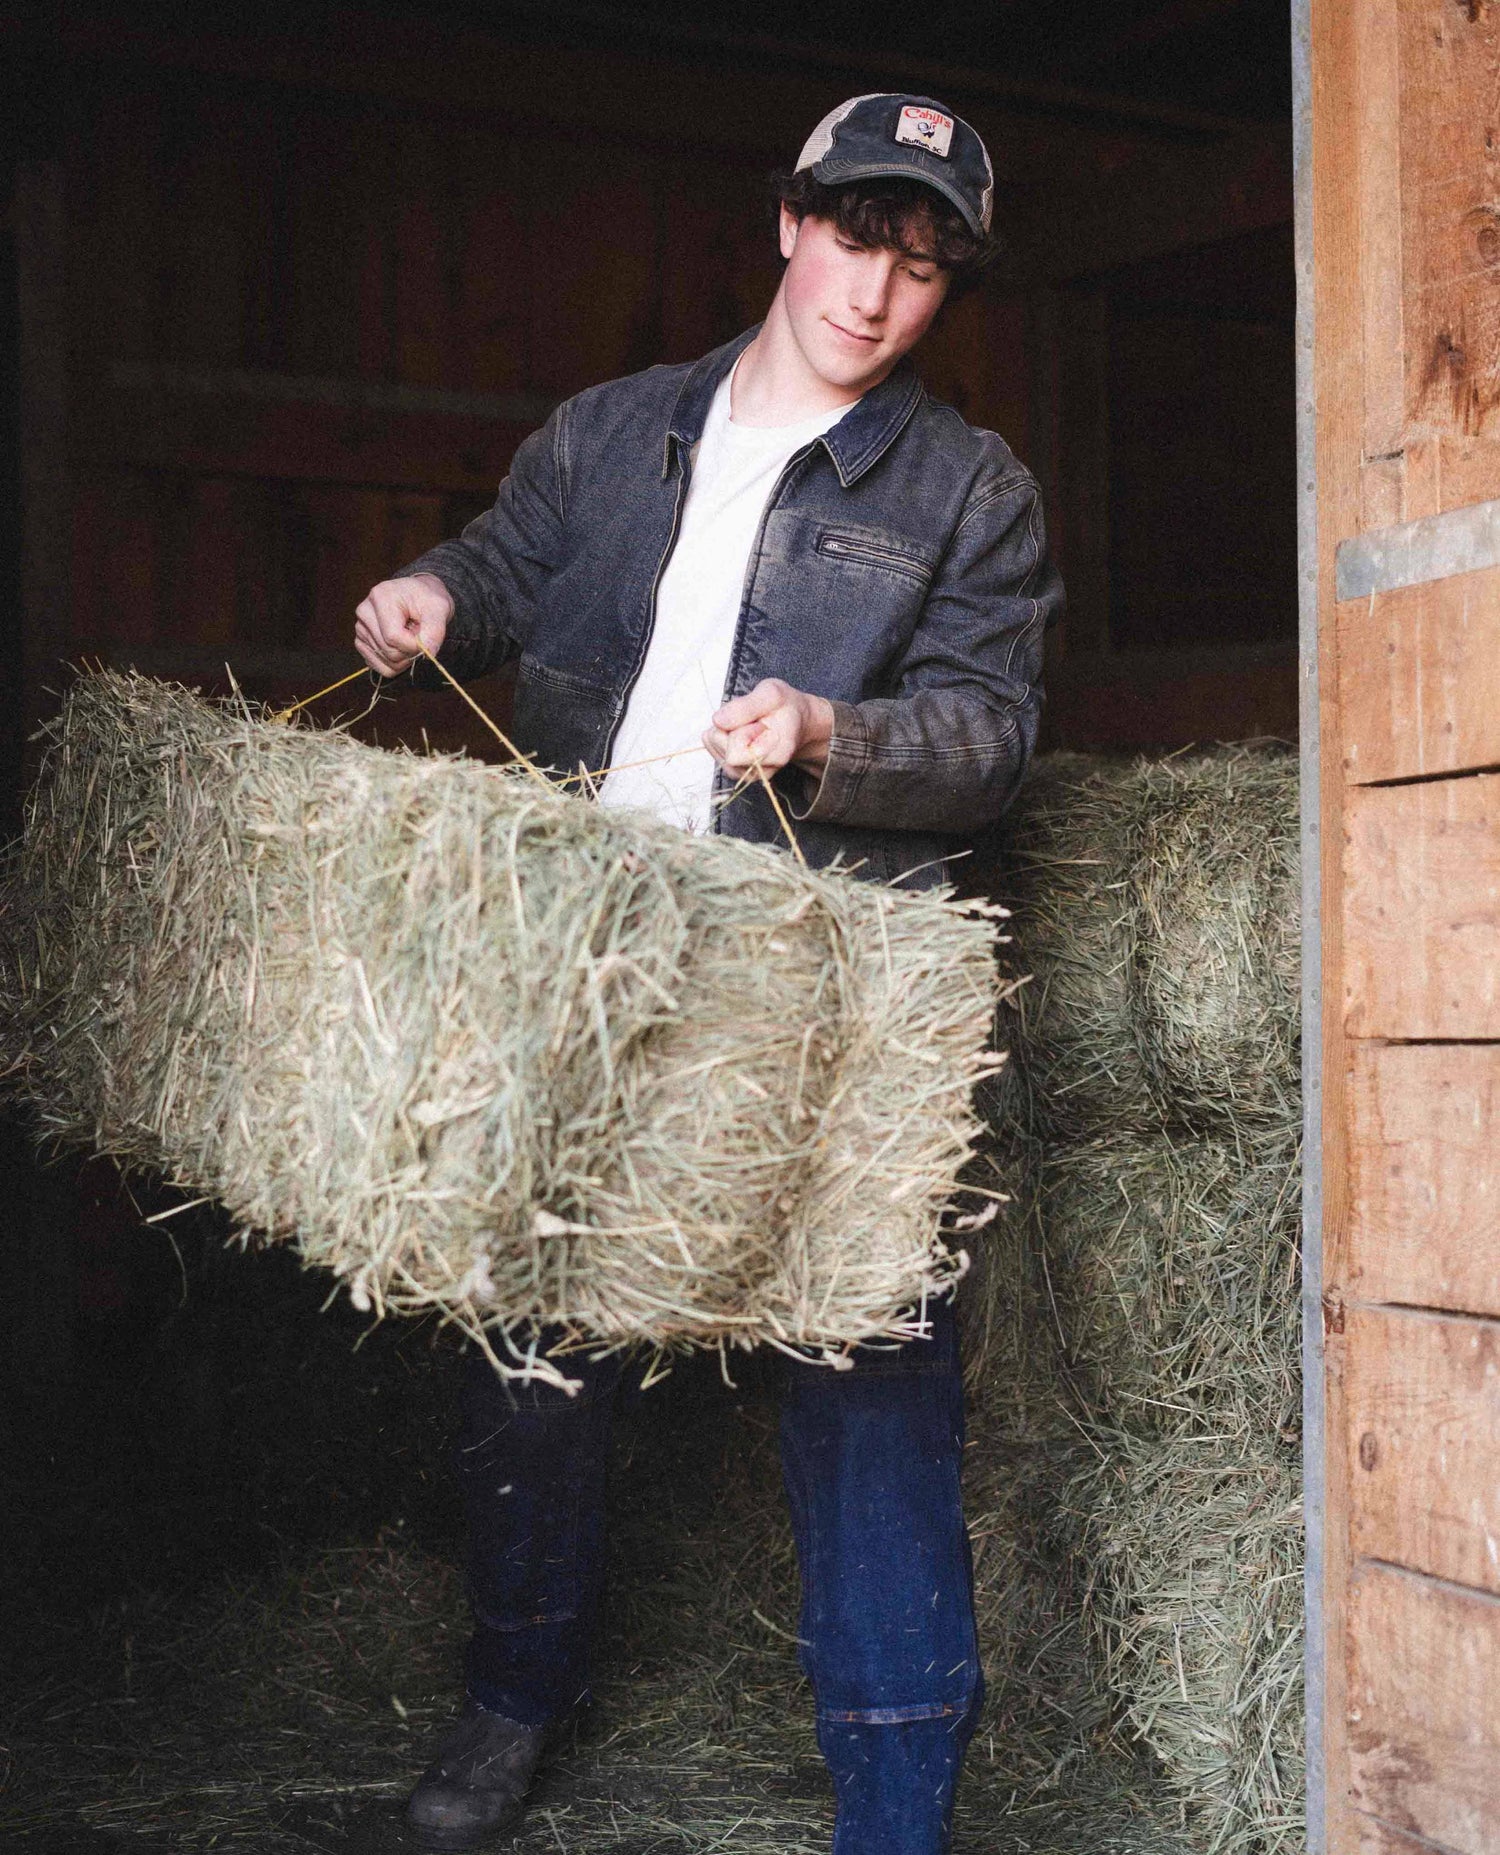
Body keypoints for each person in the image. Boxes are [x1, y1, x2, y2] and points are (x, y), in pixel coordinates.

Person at [354, 91, 1063, 1855]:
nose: (877, 292)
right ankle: (512, 1705)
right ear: (787, 224)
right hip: (594, 961)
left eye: (921, 266)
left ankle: (894, 1808)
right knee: (531, 1341)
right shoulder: (611, 435)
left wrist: (830, 732)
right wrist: (429, 596)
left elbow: (989, 739)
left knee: (867, 1372)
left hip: (818, 994)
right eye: (854, 237)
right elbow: (505, 571)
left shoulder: (971, 491)